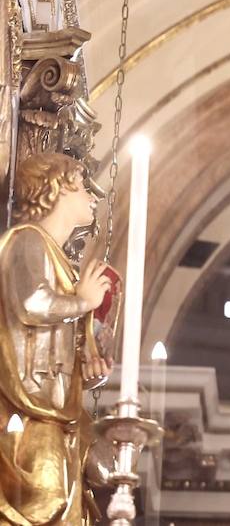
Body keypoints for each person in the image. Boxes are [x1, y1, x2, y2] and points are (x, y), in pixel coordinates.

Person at [0, 152, 113, 526]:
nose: (92, 196)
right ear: (55, 191)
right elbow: (31, 302)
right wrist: (82, 301)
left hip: (55, 406)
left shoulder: (62, 261)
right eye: (81, 186)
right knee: (43, 499)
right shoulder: (27, 240)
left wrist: (90, 368)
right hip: (29, 408)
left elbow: (64, 341)